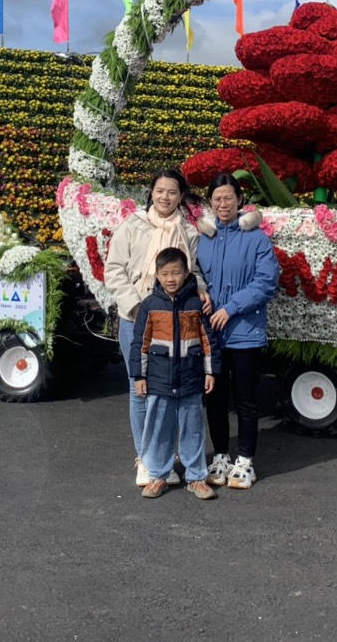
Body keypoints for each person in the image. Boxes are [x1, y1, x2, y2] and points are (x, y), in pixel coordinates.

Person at [103, 168, 210, 486]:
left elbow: (194, 271)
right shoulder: (134, 226)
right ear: (151, 192)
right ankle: (146, 460)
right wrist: (135, 306)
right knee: (141, 386)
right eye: (160, 191)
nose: (165, 197)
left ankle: (167, 457)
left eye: (172, 192)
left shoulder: (188, 232)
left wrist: (201, 288)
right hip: (137, 317)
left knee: (174, 389)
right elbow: (114, 270)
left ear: (181, 196)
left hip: (175, 322)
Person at [196, 172, 280, 491]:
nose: (223, 204)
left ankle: (245, 460)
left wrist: (230, 307)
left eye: (228, 198)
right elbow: (193, 273)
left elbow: (266, 282)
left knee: (245, 399)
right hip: (212, 334)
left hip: (245, 330)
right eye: (217, 199)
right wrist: (202, 294)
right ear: (210, 202)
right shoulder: (204, 238)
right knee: (215, 398)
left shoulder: (256, 238)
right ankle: (220, 456)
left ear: (239, 200)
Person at [127, 248, 220, 500]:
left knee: (193, 428)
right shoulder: (149, 306)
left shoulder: (195, 304)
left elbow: (207, 340)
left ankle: (196, 477)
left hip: (190, 378)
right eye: (165, 273)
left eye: (176, 272)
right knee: (158, 428)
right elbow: (140, 344)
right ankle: (158, 475)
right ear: (156, 275)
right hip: (158, 380)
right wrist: (140, 376)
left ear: (186, 273)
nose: (171, 278)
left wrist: (210, 371)